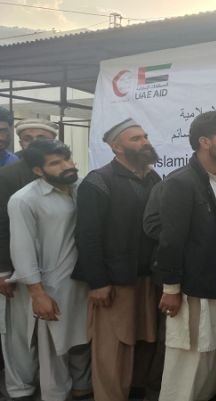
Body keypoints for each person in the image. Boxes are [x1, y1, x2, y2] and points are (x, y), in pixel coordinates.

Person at [72, 118, 162, 401]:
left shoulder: (153, 178)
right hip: (114, 282)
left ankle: (135, 393)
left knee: (145, 339)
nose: (144, 142)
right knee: (113, 347)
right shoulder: (98, 181)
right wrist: (98, 282)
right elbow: (87, 236)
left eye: (145, 136)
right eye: (135, 139)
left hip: (147, 279)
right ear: (116, 148)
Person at [156, 111, 216, 401]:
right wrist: (171, 289)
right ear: (205, 142)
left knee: (214, 351)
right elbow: (171, 240)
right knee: (187, 353)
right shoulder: (181, 182)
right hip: (192, 285)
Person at [8, 139, 91, 401]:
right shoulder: (24, 200)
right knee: (54, 347)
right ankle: (55, 396)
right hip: (51, 285)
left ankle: (83, 388)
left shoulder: (82, 187)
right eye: (56, 163)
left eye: (67, 158)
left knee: (83, 340)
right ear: (38, 170)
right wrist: (38, 293)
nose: (66, 166)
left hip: (83, 281)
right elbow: (21, 249)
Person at [0, 118, 58, 401]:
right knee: (20, 335)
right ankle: (20, 388)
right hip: (17, 270)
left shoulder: (61, 173)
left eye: (41, 137)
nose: (34, 142)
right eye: (28, 138)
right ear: (21, 142)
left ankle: (50, 385)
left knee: (53, 331)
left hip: (55, 267)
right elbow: (1, 226)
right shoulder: (7, 176)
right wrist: (3, 271)